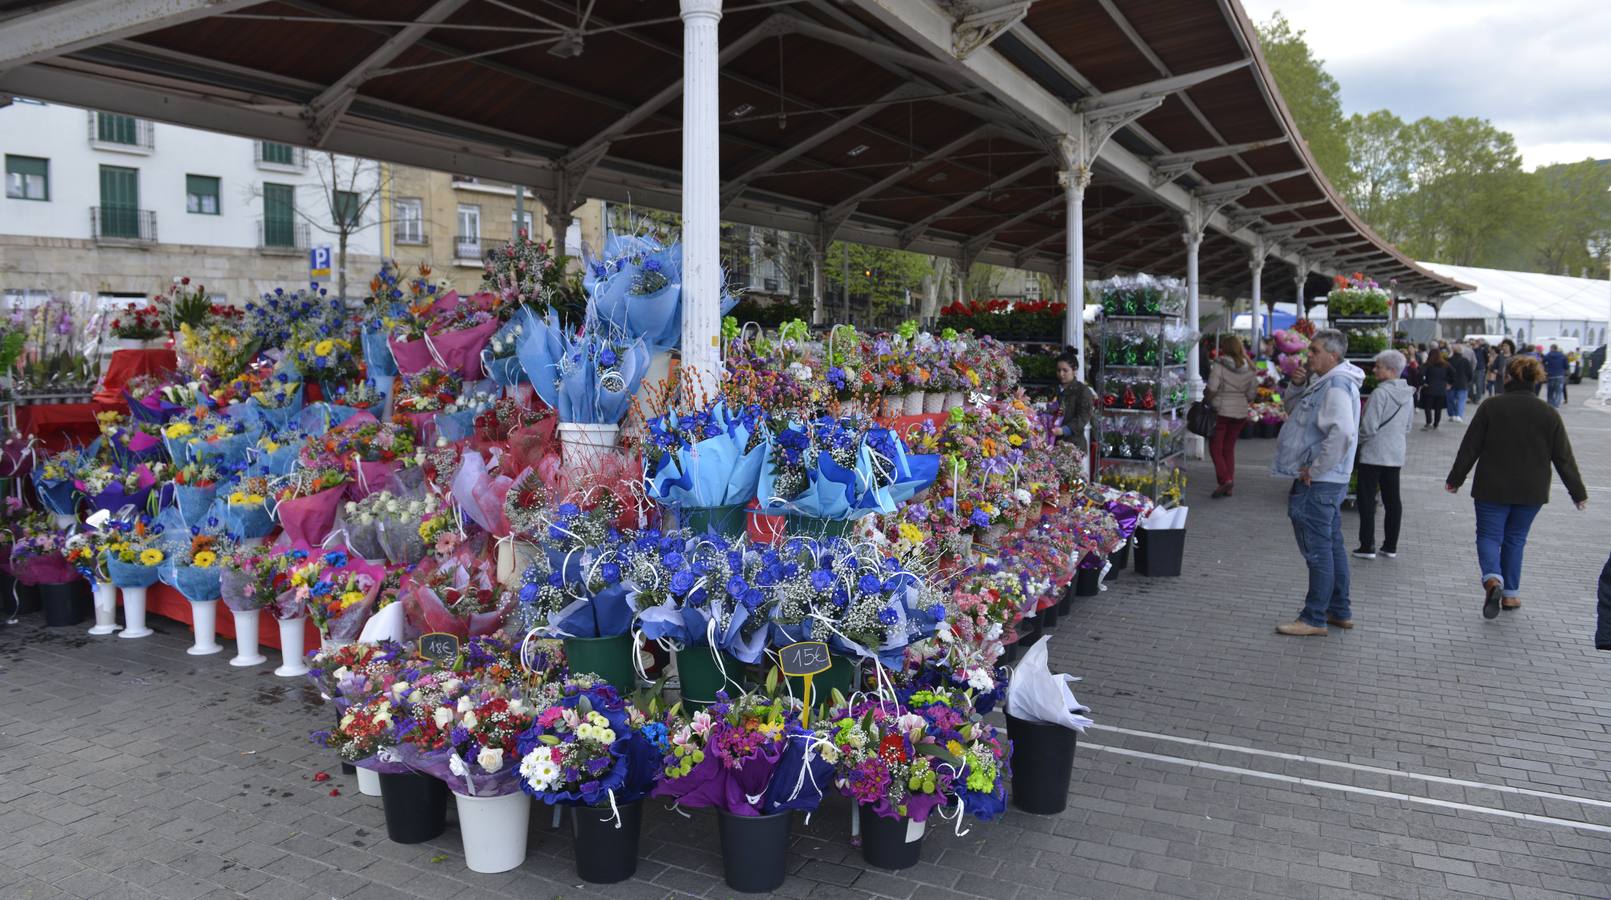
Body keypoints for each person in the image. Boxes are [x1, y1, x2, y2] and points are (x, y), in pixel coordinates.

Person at [1445, 355, 1588, 619]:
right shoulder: (1549, 413)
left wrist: (1456, 479)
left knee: (1489, 536)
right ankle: (1510, 594)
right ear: (1537, 380)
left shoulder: (1491, 406)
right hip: (1531, 491)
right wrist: (1578, 493)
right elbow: (1563, 457)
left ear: (1507, 377)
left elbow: (1470, 447)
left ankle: (1492, 580)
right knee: (1515, 540)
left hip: (1492, 487)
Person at [1271, 328, 1364, 636]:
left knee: (1318, 548)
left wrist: (1317, 467)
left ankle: (1314, 617)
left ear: (1332, 355)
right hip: (1326, 480)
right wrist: (1296, 385)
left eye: (1314, 350)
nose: (1308, 355)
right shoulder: (1326, 381)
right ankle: (1339, 609)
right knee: (1331, 544)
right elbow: (1296, 413)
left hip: (1320, 481)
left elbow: (1343, 433)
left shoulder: (1336, 384)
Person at [1354, 350, 1414, 560]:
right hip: (1395, 453)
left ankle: (1367, 545)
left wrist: (1358, 441)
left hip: (1373, 453)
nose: (1374, 369)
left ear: (1390, 370)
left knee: (1367, 499)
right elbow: (1408, 426)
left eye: (1378, 366)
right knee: (1392, 500)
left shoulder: (1380, 393)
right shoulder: (1407, 394)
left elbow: (1369, 427)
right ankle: (1390, 545)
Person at [1205, 334, 1258, 498]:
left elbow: (1212, 388)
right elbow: (1251, 394)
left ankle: (1225, 479)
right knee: (1229, 448)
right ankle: (1229, 485)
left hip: (1221, 411)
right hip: (1240, 413)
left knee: (1215, 447)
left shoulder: (1219, 365)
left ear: (1224, 348)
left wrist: (1207, 399)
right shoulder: (1249, 368)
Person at [1053, 349, 1094, 446]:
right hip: (1053, 441)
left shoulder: (1083, 391)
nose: (1061, 374)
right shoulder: (1054, 389)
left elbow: (1083, 417)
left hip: (1073, 445)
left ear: (1074, 370)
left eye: (1065, 370)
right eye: (1058, 370)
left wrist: (1064, 430)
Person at [1418, 348, 1452, 429]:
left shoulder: (1427, 364)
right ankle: (1436, 423)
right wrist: (1449, 383)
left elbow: (1420, 374)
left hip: (1429, 388)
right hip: (1441, 389)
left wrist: (1423, 383)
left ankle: (1428, 421)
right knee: (1438, 408)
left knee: (1428, 407)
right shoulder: (1446, 365)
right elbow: (1453, 374)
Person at [1446, 345, 1473, 423]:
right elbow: (1470, 373)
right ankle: (1459, 415)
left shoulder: (1449, 360)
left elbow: (1446, 372)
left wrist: (1447, 381)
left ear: (1453, 351)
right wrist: (1468, 381)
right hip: (1462, 383)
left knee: (1450, 400)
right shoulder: (1465, 361)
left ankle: (1452, 414)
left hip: (1450, 383)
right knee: (1461, 400)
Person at [1543, 343, 1569, 408]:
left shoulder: (1547, 355)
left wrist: (1546, 368)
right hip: (1560, 375)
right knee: (1558, 391)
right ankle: (1556, 404)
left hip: (1550, 375)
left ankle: (1550, 403)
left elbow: (1542, 363)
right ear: (1556, 348)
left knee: (1550, 391)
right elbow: (1566, 366)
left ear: (1551, 348)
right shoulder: (1563, 356)